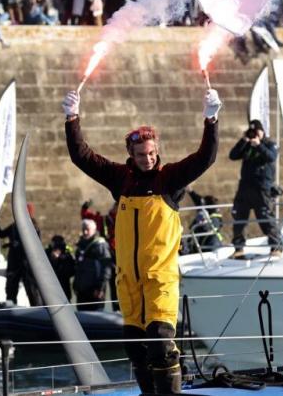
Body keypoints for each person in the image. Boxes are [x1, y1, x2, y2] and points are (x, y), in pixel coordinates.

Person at [63, 87, 220, 393]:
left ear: (156, 150)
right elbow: (81, 156)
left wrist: (211, 120)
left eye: (151, 153)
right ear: (131, 155)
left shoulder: (169, 179)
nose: (147, 159)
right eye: (140, 155)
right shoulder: (121, 178)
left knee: (161, 342)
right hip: (128, 282)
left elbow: (206, 157)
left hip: (159, 278)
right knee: (135, 349)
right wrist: (72, 118)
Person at [229, 119, 281, 258]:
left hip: (262, 189)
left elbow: (271, 157)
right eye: (252, 132)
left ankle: (276, 247)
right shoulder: (247, 145)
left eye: (256, 131)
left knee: (266, 219)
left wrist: (259, 146)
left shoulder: (270, 144)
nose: (254, 134)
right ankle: (238, 249)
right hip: (245, 188)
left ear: (262, 131)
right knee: (239, 219)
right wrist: (244, 141)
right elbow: (232, 155)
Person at [0, 205, 42, 306]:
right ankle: (11, 308)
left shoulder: (33, 228)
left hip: (27, 265)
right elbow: (1, 234)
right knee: (11, 291)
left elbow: (36, 246)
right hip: (14, 264)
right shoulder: (14, 226)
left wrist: (15, 244)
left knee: (32, 291)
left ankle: (37, 310)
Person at [73, 219, 112, 311]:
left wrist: (100, 288)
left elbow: (106, 269)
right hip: (81, 291)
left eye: (87, 229)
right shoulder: (80, 246)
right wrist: (75, 286)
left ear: (94, 230)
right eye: (83, 229)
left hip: (95, 291)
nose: (85, 232)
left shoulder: (100, 245)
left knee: (95, 317)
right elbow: (78, 268)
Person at [45, 234, 74, 301]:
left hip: (64, 288)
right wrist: (52, 258)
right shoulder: (47, 252)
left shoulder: (67, 252)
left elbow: (72, 271)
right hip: (50, 288)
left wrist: (63, 258)